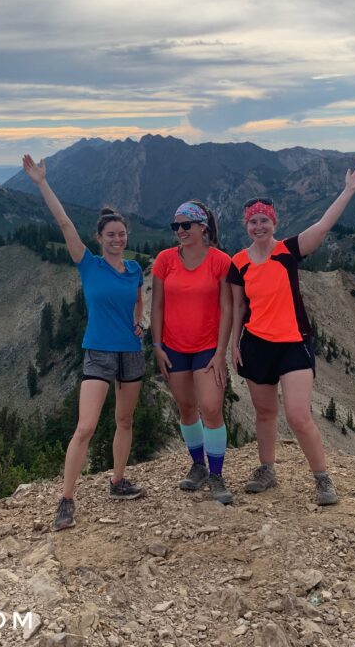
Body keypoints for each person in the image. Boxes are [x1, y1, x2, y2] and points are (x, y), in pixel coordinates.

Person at [228, 162, 355, 505]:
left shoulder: (288, 250)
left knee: (297, 414)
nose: (259, 225)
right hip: (256, 344)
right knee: (264, 413)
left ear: (274, 222)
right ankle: (267, 469)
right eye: (253, 221)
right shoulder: (238, 263)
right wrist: (234, 344)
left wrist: (349, 189)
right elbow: (237, 308)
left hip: (293, 343)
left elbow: (323, 225)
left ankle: (322, 478)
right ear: (246, 226)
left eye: (264, 220)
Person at [22, 154, 147, 532]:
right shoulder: (88, 263)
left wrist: (139, 321)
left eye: (121, 234)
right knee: (86, 426)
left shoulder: (135, 269)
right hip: (98, 352)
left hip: (131, 352)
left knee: (124, 419)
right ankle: (66, 498)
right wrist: (42, 182)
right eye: (110, 235)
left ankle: (118, 480)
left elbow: (138, 298)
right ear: (99, 238)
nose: (117, 239)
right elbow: (63, 222)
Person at [150, 201, 233, 504]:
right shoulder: (164, 260)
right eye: (176, 226)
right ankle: (199, 465)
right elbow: (156, 305)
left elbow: (227, 308)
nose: (180, 231)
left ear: (203, 227)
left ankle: (216, 474)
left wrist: (221, 351)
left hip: (208, 347)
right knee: (187, 408)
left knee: (210, 408)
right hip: (173, 346)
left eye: (186, 225)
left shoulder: (220, 261)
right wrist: (157, 346)